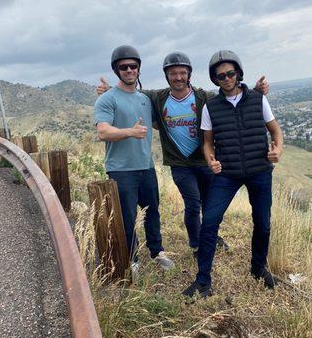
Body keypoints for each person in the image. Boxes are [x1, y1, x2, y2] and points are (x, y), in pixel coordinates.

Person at [97, 52, 268, 257]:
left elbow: (228, 95)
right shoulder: (158, 98)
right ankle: (196, 244)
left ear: (189, 75)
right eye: (173, 73)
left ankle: (212, 237)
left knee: (210, 203)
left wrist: (255, 92)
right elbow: (128, 92)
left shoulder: (203, 97)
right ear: (167, 76)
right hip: (180, 163)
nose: (178, 77)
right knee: (193, 203)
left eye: (182, 73)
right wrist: (109, 90)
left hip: (204, 159)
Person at [182, 50, 283, 298]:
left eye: (230, 73)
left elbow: (275, 131)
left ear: (238, 73)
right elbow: (207, 142)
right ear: (215, 80)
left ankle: (258, 269)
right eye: (220, 76)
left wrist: (278, 149)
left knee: (263, 224)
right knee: (209, 223)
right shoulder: (211, 107)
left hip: (259, 171)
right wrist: (210, 159)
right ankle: (203, 281)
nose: (226, 78)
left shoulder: (258, 99)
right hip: (227, 174)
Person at [94, 45, 175, 273]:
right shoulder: (107, 100)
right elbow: (103, 132)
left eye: (133, 66)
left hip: (146, 166)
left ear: (139, 69)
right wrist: (130, 132)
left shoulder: (144, 99)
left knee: (152, 211)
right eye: (124, 67)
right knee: (127, 217)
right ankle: (132, 259)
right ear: (116, 70)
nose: (129, 70)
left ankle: (157, 252)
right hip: (121, 169)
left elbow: (157, 125)